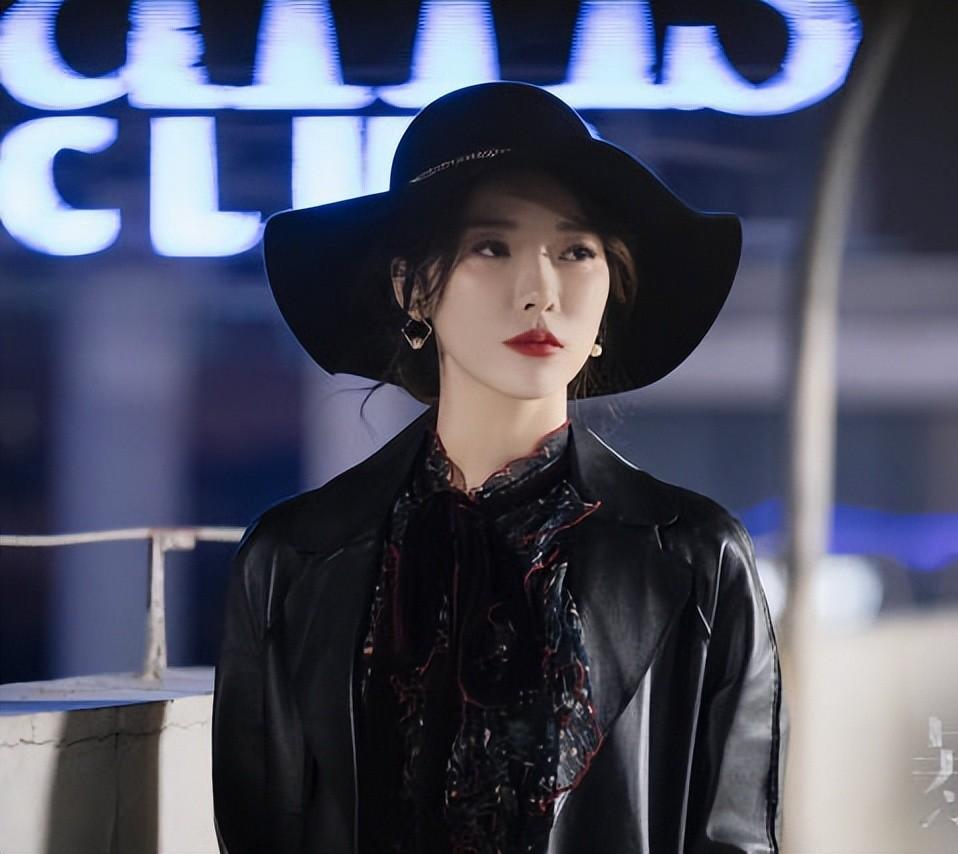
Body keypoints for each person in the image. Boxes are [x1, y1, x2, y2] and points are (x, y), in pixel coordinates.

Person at [211, 81, 785, 854]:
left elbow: (735, 834)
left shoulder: (695, 558)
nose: (540, 292)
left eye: (575, 252)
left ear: (609, 290)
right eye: (492, 246)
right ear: (411, 287)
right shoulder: (293, 560)